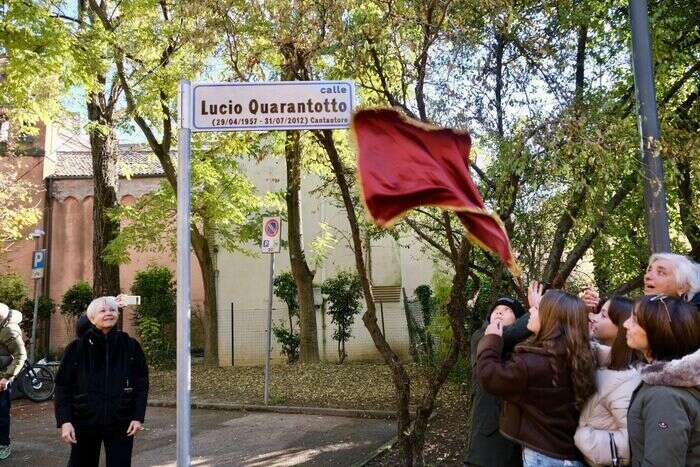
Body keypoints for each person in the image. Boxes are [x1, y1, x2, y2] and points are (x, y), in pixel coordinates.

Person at [476, 283, 596, 467]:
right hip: (567, 452)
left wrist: (491, 338)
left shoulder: (535, 360)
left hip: (545, 458)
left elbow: (489, 376)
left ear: (551, 318)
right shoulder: (578, 353)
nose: (531, 312)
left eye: (538, 309)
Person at [55, 296, 149, 467]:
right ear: (91, 318)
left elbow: (141, 383)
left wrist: (137, 416)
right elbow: (62, 386)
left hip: (121, 423)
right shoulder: (77, 348)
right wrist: (65, 421)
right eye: (103, 311)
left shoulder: (130, 345)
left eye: (112, 310)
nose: (109, 313)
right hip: (84, 422)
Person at [623, 295, 700, 466]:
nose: (625, 324)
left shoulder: (665, 396)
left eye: (634, 320)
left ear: (659, 331)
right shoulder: (662, 379)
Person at [465, 297, 530, 467]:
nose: (500, 312)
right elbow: (507, 335)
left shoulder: (527, 344)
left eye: (508, 310)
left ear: (517, 318)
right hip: (486, 436)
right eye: (496, 310)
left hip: (518, 435)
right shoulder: (480, 336)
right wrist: (538, 309)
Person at [575, 296, 639, 466]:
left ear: (622, 328)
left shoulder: (626, 379)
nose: (592, 317)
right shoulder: (597, 361)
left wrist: (582, 437)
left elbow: (631, 441)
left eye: (603, 315)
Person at [0, 303, 27, 460]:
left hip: (2, 379)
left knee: (1, 414)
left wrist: (7, 377)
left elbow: (20, 355)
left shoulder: (9, 330)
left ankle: (3, 445)